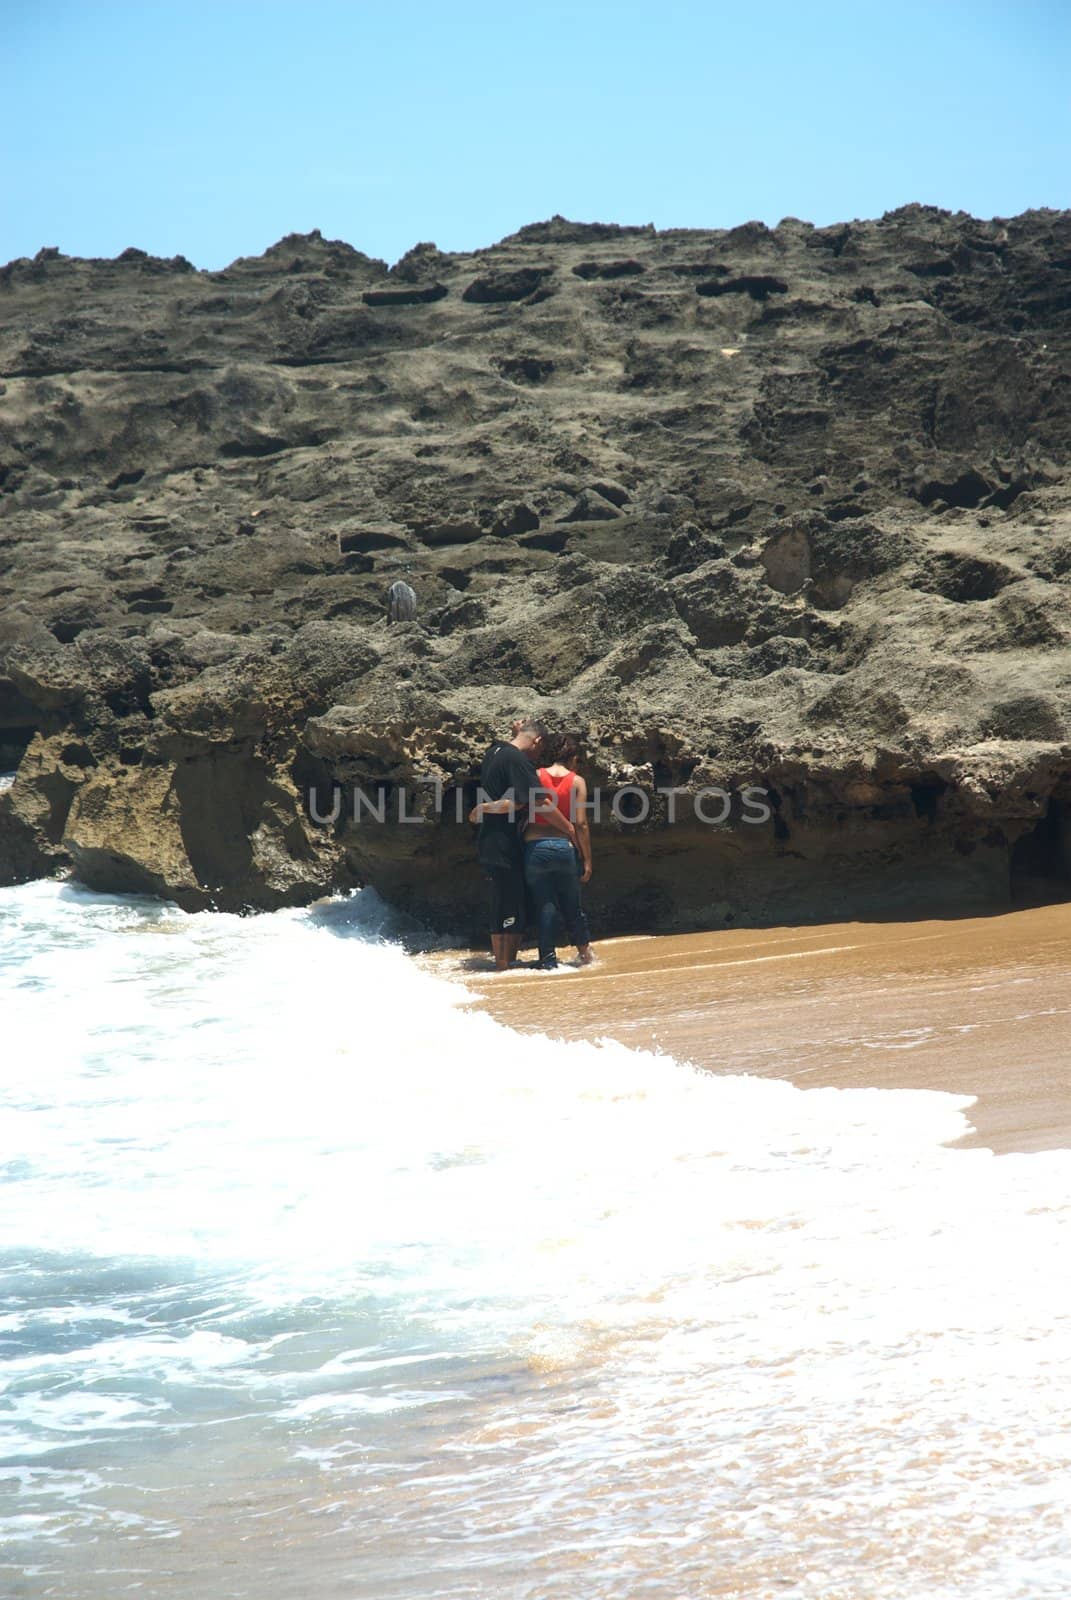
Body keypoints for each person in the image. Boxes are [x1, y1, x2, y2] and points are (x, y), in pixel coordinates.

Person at [470, 720, 577, 971]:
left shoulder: (495, 752)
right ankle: (502, 965)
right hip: (503, 842)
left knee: (508, 899)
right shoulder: (516, 760)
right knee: (507, 901)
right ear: (537, 741)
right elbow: (534, 801)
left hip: (492, 840)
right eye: (540, 749)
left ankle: (505, 962)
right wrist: (568, 828)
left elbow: (512, 798)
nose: (539, 756)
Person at [522, 732, 594, 969]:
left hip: (535, 849)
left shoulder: (536, 775)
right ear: (572, 756)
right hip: (564, 848)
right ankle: (586, 957)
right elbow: (581, 824)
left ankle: (547, 960)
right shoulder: (577, 781)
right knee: (572, 905)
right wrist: (587, 860)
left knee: (545, 905)